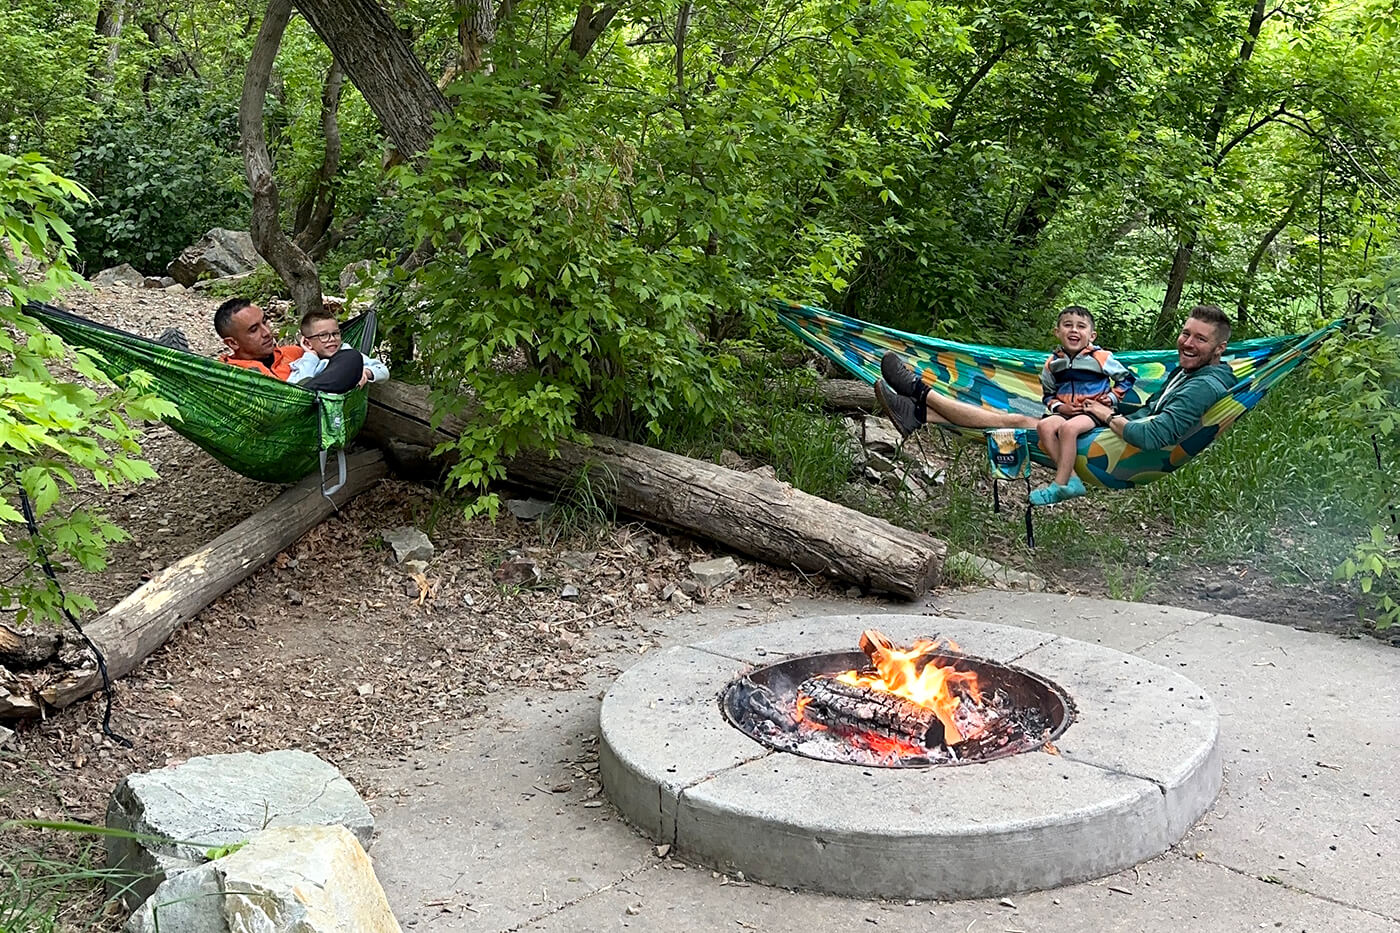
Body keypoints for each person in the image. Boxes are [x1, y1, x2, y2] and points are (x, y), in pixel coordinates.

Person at [875, 303, 1237, 486]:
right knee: (1022, 419)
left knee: (1018, 423)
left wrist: (1103, 412)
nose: (1187, 343)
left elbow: (1152, 435)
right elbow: (1147, 410)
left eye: (1199, 339)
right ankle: (919, 414)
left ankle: (922, 394)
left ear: (1219, 348)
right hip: (1106, 434)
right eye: (1186, 333)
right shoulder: (1191, 370)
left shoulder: (1204, 384)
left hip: (1121, 457)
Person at [1030, 306, 1136, 505]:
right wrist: (1059, 407)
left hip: (1093, 411)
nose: (1074, 330)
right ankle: (1073, 480)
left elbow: (1127, 379)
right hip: (1066, 411)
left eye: (1081, 326)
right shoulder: (1053, 363)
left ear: (1092, 335)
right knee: (1044, 426)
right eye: (1067, 325)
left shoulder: (1101, 357)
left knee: (1068, 429)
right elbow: (1048, 395)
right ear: (1057, 332)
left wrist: (1112, 398)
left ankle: (1059, 484)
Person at [213, 297, 369, 393]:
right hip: (275, 429)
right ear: (232, 343)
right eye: (254, 330)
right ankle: (298, 395)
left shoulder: (294, 352)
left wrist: (363, 371)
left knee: (350, 357)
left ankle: (302, 393)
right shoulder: (228, 375)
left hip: (315, 417)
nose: (267, 332)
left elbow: (335, 364)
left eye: (265, 321)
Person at [288, 308, 389, 389]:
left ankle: (311, 389)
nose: (332, 339)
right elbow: (292, 387)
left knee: (352, 356)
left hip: (342, 404)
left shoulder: (345, 352)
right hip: (314, 406)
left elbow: (383, 371)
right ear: (307, 343)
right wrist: (311, 357)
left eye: (336, 333)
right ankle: (311, 389)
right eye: (323, 335)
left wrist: (365, 371)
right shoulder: (304, 363)